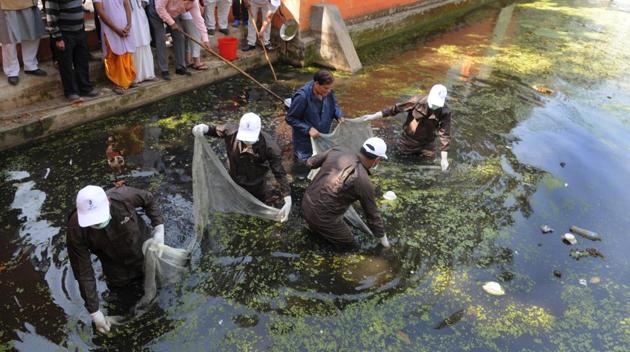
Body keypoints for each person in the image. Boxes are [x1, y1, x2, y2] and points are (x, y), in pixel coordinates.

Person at [67, 184, 165, 333]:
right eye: (92, 221)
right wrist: (94, 311)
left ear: (108, 202)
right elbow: (83, 271)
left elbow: (149, 199)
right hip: (117, 273)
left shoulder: (123, 197)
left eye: (99, 217)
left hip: (144, 253)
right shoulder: (76, 228)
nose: (97, 223)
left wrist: (159, 228)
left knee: (162, 295)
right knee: (126, 305)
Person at [192, 112, 292, 221]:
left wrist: (287, 198)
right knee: (233, 208)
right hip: (233, 177)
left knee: (256, 210)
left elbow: (279, 172)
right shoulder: (231, 131)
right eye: (245, 138)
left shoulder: (270, 147)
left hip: (256, 183)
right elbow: (215, 130)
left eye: (250, 139)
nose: (247, 142)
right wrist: (204, 128)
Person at [301, 137, 391, 250]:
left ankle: (315, 231)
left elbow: (310, 163)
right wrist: (385, 243)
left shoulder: (339, 150)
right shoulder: (364, 181)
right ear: (377, 160)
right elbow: (373, 217)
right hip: (322, 218)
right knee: (351, 247)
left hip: (305, 204)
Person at [361, 84, 452, 171]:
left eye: (437, 105)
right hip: (408, 140)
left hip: (427, 144)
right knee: (397, 159)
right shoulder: (416, 101)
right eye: (433, 103)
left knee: (428, 166)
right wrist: (374, 116)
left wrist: (444, 159)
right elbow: (394, 109)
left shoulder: (445, 112)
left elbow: (445, 135)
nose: (434, 106)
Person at [45, 0, 99, 102]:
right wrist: (58, 38)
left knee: (82, 61)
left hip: (79, 31)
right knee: (66, 65)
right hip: (64, 34)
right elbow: (51, 17)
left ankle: (85, 88)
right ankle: (71, 92)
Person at [285, 70, 343, 162]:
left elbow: (334, 104)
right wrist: (308, 129)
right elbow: (290, 118)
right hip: (305, 145)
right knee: (304, 168)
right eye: (326, 88)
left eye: (330, 88)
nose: (328, 91)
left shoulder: (328, 91)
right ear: (316, 84)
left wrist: (339, 115)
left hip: (323, 138)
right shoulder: (302, 97)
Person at [155, 0, 211, 76]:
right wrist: (172, 23)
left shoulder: (193, 3)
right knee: (161, 38)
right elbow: (159, 8)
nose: (189, 4)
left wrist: (205, 40)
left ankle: (180, 67)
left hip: (173, 14)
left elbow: (199, 20)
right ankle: (164, 70)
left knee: (180, 36)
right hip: (156, 10)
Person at [94, 0, 137, 93]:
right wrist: (116, 29)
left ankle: (127, 80)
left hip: (124, 26)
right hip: (110, 29)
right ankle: (117, 83)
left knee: (126, 52)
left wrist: (129, 24)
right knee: (113, 54)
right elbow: (100, 11)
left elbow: (126, 4)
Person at [0, 2, 47, 86]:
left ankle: (30, 65)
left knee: (33, 34)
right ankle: (12, 71)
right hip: (5, 4)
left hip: (28, 3)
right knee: (9, 39)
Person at [129, 0, 156, 83]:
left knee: (145, 42)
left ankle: (148, 73)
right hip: (129, 16)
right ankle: (136, 75)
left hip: (140, 15)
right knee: (134, 43)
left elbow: (145, 2)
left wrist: (139, 8)